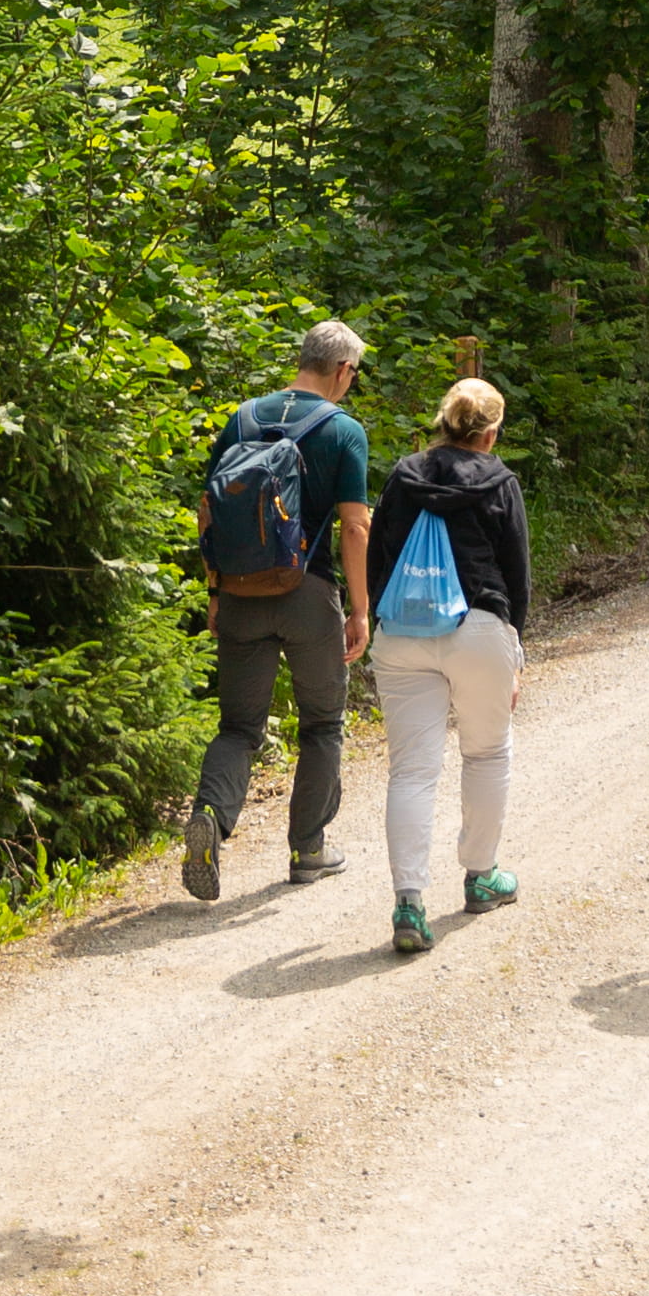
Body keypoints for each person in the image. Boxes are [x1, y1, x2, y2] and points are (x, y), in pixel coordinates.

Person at [177, 319, 372, 904]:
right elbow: (355, 526)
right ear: (342, 370)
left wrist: (215, 592)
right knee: (321, 723)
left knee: (237, 726)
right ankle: (308, 850)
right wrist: (359, 610)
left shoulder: (244, 417)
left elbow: (208, 513)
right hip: (309, 595)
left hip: (239, 594)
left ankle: (211, 814)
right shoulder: (343, 430)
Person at [362, 372, 532, 961]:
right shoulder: (500, 481)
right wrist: (516, 649)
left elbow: (378, 551)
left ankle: (408, 902)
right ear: (490, 434)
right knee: (486, 752)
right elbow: (517, 573)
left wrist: (378, 618)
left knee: (412, 772)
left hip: (402, 631)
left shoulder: (402, 476)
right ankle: (481, 876)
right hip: (479, 626)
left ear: (442, 424)